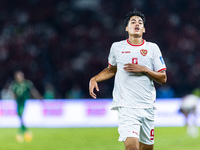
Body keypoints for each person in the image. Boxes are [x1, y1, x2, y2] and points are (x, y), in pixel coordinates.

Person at [89, 10, 167, 150]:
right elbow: (111, 69)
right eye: (133, 22)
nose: (136, 24)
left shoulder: (152, 48)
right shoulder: (117, 47)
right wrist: (95, 79)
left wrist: (144, 69)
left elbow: (163, 78)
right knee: (132, 148)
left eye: (140, 22)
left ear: (144, 29)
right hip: (126, 107)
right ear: (126, 28)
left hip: (147, 106)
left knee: (147, 148)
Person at [10, 70, 43, 142]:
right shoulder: (15, 84)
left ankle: (20, 133)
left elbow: (33, 91)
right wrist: (14, 99)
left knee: (20, 115)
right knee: (20, 116)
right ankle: (26, 131)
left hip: (24, 102)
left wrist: (39, 97)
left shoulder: (27, 83)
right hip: (18, 103)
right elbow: (13, 93)